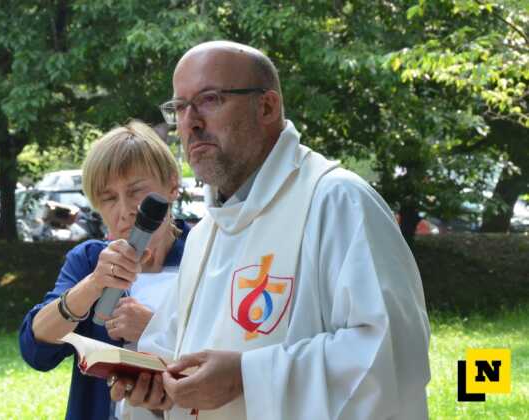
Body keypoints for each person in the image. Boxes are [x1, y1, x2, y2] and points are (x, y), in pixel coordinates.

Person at [110, 41, 431, 419]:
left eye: (209, 100)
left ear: (266, 107)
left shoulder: (337, 201)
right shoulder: (204, 235)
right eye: (180, 107)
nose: (190, 122)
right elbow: (171, 353)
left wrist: (247, 377)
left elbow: (392, 354)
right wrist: (157, 394)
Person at [19, 120, 190, 420]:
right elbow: (36, 350)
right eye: (109, 198)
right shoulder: (89, 260)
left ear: (172, 186)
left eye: (137, 191)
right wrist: (93, 285)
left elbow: (231, 353)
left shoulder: (204, 252)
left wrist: (154, 329)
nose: (125, 210)